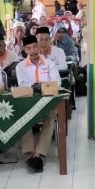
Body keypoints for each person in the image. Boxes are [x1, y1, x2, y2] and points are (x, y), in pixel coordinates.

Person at [15, 35, 61, 172]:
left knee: (50, 117)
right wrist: (41, 86)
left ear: (39, 47)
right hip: (28, 103)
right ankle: (30, 152)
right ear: (25, 50)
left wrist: (39, 86)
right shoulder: (20, 66)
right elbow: (23, 85)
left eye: (35, 46)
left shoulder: (49, 63)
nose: (33, 51)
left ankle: (39, 154)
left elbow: (57, 83)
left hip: (47, 102)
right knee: (23, 117)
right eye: (29, 48)